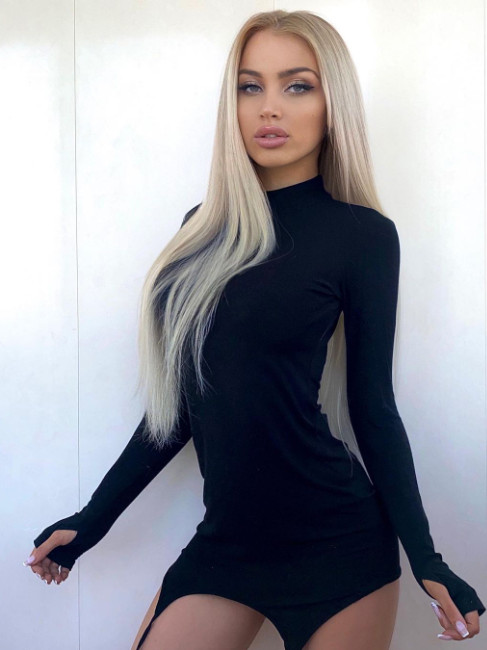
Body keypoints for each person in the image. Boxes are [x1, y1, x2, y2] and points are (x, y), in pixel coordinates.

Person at [25, 9, 484, 650]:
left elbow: (373, 408)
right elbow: (178, 409)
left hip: (340, 543)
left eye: (297, 85)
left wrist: (427, 558)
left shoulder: (363, 236)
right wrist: (93, 520)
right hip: (227, 545)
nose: (270, 107)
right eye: (250, 86)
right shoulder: (198, 232)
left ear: (332, 104)